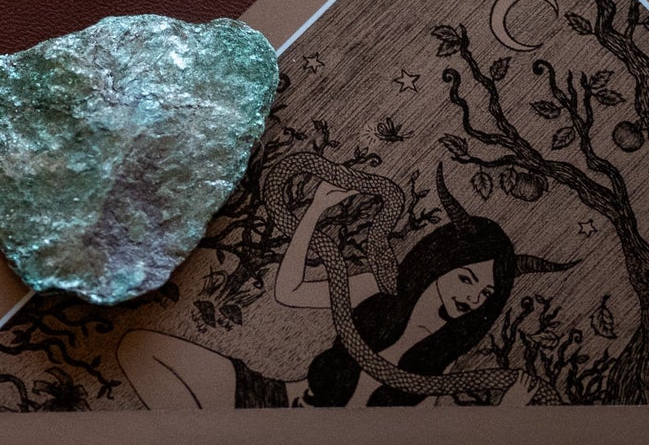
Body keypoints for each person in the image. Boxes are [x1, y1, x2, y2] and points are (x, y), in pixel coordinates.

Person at [119, 166, 565, 409]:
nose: (470, 299)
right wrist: (314, 210)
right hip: (273, 403)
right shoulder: (379, 287)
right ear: (439, 262)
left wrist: (510, 416)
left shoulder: (440, 368)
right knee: (137, 348)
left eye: (484, 296)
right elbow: (289, 290)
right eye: (467, 278)